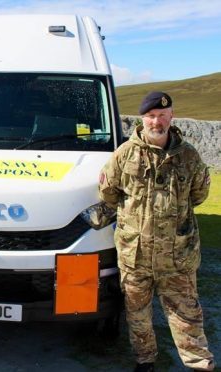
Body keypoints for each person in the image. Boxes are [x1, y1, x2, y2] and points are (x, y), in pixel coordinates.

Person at [98, 91, 215, 372]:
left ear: (171, 116)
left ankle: (199, 364)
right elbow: (108, 193)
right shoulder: (124, 155)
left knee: (187, 314)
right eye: (151, 116)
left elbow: (199, 194)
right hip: (135, 255)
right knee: (138, 314)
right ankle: (145, 361)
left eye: (162, 115)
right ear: (143, 119)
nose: (156, 121)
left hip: (177, 256)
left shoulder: (189, 156)